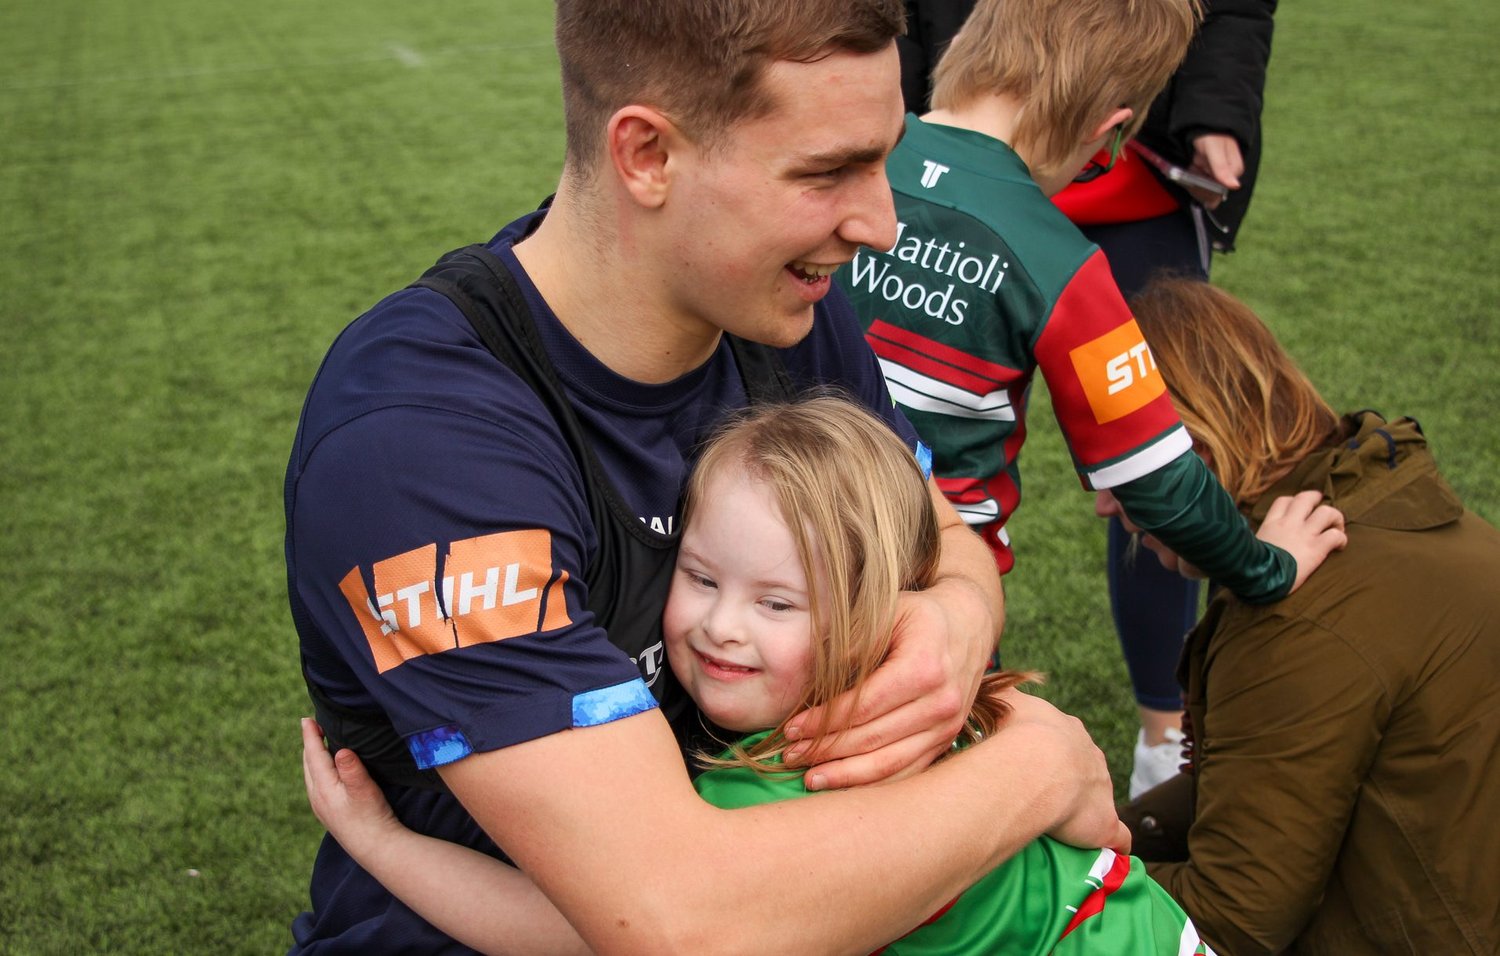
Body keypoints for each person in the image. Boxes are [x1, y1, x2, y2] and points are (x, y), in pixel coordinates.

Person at [285, 2, 1132, 952]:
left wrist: (955, 622)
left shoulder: (777, 313)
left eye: (883, 158)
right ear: (647, 154)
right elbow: (682, 923)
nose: (882, 225)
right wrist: (1037, 774)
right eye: (826, 172)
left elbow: (940, 538)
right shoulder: (420, 443)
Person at [303, 396, 1223, 954]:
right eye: (700, 578)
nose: (720, 626)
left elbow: (572, 929)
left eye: (778, 604)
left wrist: (382, 848)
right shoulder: (953, 700)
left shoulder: (774, 791)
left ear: (874, 609)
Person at [836, 0, 1339, 661]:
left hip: (771, 551)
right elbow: (1158, 480)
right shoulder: (1062, 264)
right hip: (934, 597)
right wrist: (1269, 567)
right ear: (1110, 127)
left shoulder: (839, 159)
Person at [1099, 277, 1500, 954]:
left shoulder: (1297, 617)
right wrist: (1107, 830)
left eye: (1115, 468)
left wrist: (1051, 884)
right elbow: (1258, 772)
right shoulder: (1382, 503)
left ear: (1193, 453)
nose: (1107, 504)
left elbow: (1229, 925)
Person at [1050, 0, 1278, 798]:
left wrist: (1216, 106)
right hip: (974, 158)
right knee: (930, 447)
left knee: (1153, 459)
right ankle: (931, 722)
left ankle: (1161, 742)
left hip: (1139, 188)